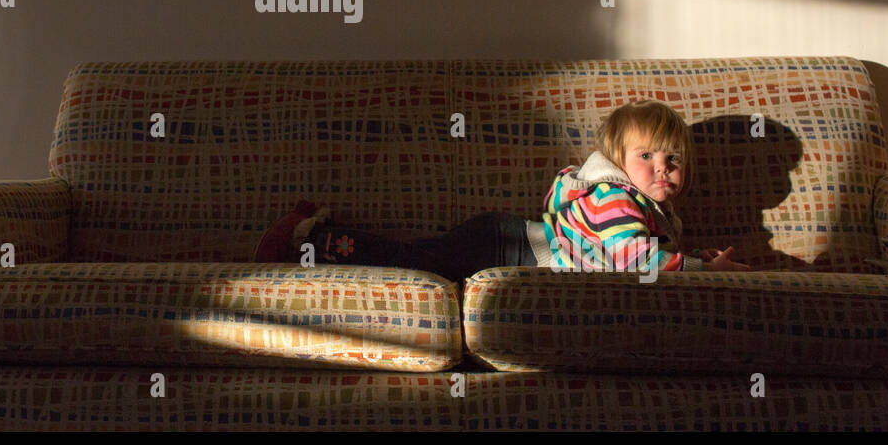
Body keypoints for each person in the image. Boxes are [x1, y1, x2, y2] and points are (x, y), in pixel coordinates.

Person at [253, 98, 751, 280]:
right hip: (501, 246)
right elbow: (631, 260)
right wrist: (706, 270)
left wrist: (707, 259)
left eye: (674, 160)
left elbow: (651, 255)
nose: (662, 168)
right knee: (409, 261)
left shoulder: (651, 211)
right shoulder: (616, 198)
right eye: (647, 157)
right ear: (618, 163)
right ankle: (308, 240)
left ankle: (318, 233)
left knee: (413, 257)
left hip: (502, 240)